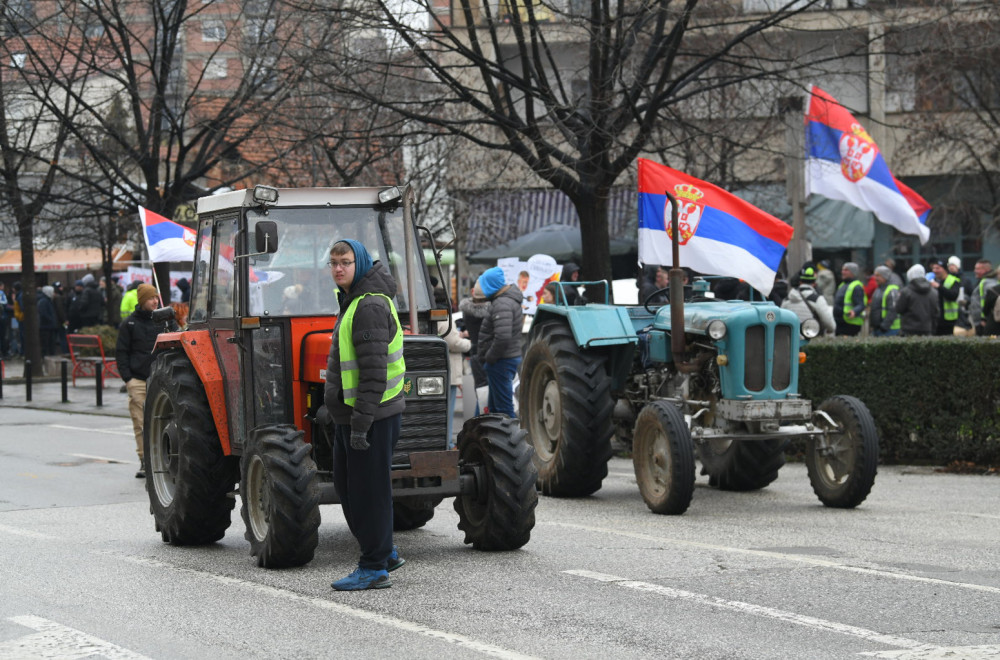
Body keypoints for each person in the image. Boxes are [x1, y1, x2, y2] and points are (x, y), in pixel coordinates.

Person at [324, 239, 406, 591]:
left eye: (345, 262)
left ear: (359, 264)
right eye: (333, 263)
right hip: (355, 415)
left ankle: (374, 566)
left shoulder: (368, 306)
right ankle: (384, 552)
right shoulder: (352, 301)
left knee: (367, 491)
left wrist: (360, 423)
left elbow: (373, 373)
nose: (338, 268)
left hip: (371, 416)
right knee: (350, 486)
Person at [116, 284, 177, 479]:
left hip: (161, 381)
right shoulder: (129, 324)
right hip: (138, 380)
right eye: (151, 298)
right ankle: (145, 461)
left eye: (156, 297)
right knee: (141, 423)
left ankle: (163, 459)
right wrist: (128, 378)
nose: (154, 301)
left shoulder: (165, 321)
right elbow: (121, 352)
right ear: (142, 300)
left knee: (164, 421)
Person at [475, 266, 523, 418]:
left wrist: (490, 357)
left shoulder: (502, 303)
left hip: (501, 361)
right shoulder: (505, 301)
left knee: (503, 409)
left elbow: (502, 337)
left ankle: (512, 440)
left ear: (490, 285)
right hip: (502, 360)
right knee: (495, 409)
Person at [439, 313, 470, 449]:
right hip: (449, 370)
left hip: (444, 369)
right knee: (447, 411)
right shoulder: (444, 318)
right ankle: (448, 443)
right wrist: (469, 344)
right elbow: (454, 343)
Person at [458, 287, 490, 415]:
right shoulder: (491, 312)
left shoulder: (467, 311)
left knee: (481, 392)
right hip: (488, 352)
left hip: (474, 351)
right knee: (490, 392)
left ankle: (478, 421)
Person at [781, 266, 835, 335]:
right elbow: (830, 324)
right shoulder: (817, 299)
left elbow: (781, 321)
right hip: (811, 339)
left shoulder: (787, 299)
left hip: (791, 340)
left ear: (800, 282)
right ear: (814, 283)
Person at [895, 264, 938, 336]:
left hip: (908, 330)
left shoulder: (906, 292)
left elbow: (899, 309)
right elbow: (936, 313)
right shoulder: (933, 292)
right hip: (927, 330)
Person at [834, 262, 866, 336]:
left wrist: (854, 311)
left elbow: (861, 304)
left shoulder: (856, 286)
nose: (843, 272)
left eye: (846, 270)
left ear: (853, 272)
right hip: (841, 322)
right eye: (842, 270)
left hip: (850, 324)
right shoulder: (842, 285)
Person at [929, 259, 960, 336]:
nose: (935, 270)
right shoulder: (933, 281)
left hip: (948, 320)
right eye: (933, 268)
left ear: (945, 269)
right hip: (935, 319)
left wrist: (939, 287)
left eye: (938, 268)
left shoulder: (953, 281)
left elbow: (953, 296)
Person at [869, 266, 901, 336]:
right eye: (875, 275)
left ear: (885, 277)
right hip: (878, 329)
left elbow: (893, 310)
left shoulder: (892, 290)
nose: (875, 278)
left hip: (889, 330)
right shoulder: (879, 289)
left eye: (878, 276)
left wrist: (884, 327)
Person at [969, 259, 997, 336]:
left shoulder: (988, 282)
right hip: (982, 321)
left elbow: (990, 302)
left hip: (984, 321)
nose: (975, 271)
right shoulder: (983, 281)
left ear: (986, 269)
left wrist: (984, 319)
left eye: (978, 269)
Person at [37, 286, 58, 356]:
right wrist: (51, 320)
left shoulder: (48, 301)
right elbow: (43, 313)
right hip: (45, 327)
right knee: (46, 344)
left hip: (48, 326)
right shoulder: (44, 301)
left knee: (50, 344)